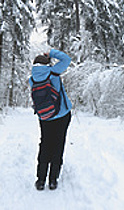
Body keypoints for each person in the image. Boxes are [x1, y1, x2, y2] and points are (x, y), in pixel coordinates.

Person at [29, 49, 72, 191]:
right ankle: (53, 180)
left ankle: (40, 180)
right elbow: (66, 59)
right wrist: (51, 53)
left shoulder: (32, 78)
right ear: (47, 64)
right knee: (58, 144)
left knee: (45, 144)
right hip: (61, 116)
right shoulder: (53, 72)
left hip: (45, 117)